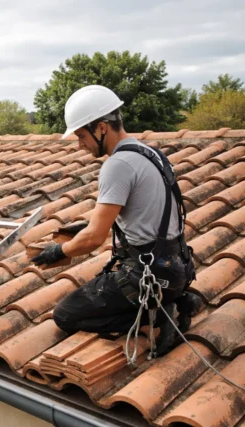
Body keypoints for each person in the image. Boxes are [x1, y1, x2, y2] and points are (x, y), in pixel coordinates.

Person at [31, 85, 200, 356]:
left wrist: (58, 252)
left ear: (101, 128)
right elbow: (139, 213)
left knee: (65, 315)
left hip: (148, 277)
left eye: (81, 135)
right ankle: (173, 301)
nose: (80, 145)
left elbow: (95, 238)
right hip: (177, 269)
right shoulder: (149, 153)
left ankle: (158, 314)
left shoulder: (118, 165)